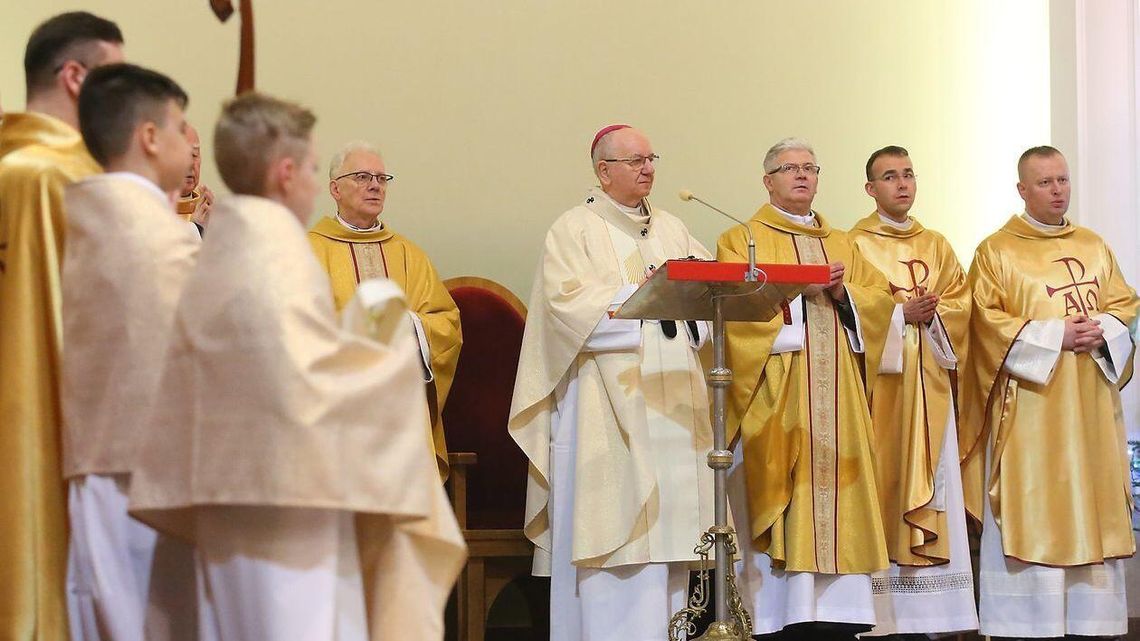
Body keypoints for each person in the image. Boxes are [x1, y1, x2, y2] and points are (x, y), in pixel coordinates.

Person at [127, 92, 465, 641]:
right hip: (286, 504)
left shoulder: (218, 244)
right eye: (313, 168)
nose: (375, 186)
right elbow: (298, 380)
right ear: (290, 174)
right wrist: (374, 348)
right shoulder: (283, 254)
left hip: (236, 491)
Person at [509, 124, 714, 641]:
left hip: (671, 398)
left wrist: (686, 307)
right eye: (635, 161)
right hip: (605, 399)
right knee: (614, 538)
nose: (648, 168)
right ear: (604, 171)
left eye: (652, 158)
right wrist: (640, 297)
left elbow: (712, 297)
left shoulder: (673, 228)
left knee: (669, 542)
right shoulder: (574, 229)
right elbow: (562, 310)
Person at [718, 137, 895, 639]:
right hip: (778, 390)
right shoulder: (741, 238)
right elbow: (732, 313)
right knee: (783, 498)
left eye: (810, 168)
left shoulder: (844, 243)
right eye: (789, 168)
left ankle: (837, 615)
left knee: (840, 498)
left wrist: (843, 293)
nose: (802, 176)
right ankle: (777, 617)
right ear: (767, 180)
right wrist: (795, 290)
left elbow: (880, 304)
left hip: (837, 394)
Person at [960, 145, 1139, 639]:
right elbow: (985, 323)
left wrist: (1100, 329)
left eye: (1062, 180)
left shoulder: (1095, 245)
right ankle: (1027, 625)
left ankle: (1092, 623)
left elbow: (1125, 305)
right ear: (1022, 189)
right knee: (1036, 504)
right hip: (1032, 413)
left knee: (1094, 498)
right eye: (1045, 183)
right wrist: (1055, 335)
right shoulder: (996, 251)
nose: (1057, 190)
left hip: (1091, 409)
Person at [61, 62, 198, 641]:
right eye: (180, 127)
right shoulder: (157, 235)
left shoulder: (77, 213)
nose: (189, 142)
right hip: (146, 484)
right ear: (148, 137)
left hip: (93, 470)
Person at [0, 12, 123, 640]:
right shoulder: (60, 176)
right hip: (51, 431)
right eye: (114, 76)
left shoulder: (16, 165)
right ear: (76, 76)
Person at [848, 145, 977, 636]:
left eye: (907, 175)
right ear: (870, 189)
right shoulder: (855, 244)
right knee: (884, 480)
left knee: (937, 478)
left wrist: (937, 313)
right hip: (886, 391)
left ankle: (935, 615)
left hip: (933, 386)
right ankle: (882, 617)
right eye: (888, 177)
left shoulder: (938, 244)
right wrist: (902, 315)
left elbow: (964, 307)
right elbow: (856, 311)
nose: (901, 184)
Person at [308, 141, 461, 478]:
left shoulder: (409, 254)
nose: (375, 185)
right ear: (335, 188)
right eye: (362, 176)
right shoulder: (309, 251)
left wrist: (411, 326)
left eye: (381, 178)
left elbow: (446, 324)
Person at [175, 123, 212, 235]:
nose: (191, 164)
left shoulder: (208, 208)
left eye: (195, 155)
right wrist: (196, 229)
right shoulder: (150, 209)